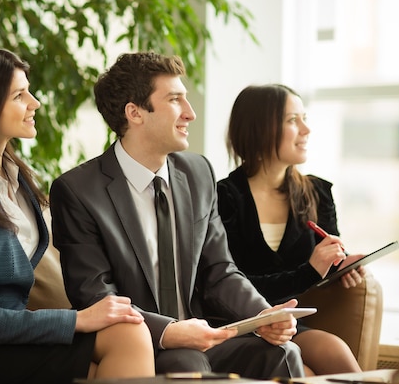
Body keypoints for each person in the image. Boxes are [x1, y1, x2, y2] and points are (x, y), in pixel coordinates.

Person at [0, 46, 155, 384]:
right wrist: (77, 320)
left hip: (3, 334)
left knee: (129, 330)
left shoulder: (16, 179)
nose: (34, 103)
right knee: (101, 362)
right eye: (20, 95)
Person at [49, 52, 305, 379]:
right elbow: (95, 295)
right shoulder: (78, 190)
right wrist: (170, 331)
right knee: (187, 363)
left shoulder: (198, 172)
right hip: (142, 341)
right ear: (135, 113)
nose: (191, 113)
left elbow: (219, 271)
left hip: (204, 335)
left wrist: (263, 315)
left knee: (283, 353)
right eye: (175, 100)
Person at [217, 84, 366, 376]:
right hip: (242, 320)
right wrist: (310, 270)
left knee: (334, 350)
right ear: (260, 128)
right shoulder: (223, 198)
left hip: (292, 323)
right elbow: (229, 283)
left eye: (304, 118)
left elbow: (326, 260)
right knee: (303, 371)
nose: (306, 129)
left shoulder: (317, 192)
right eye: (292, 120)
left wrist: (342, 265)